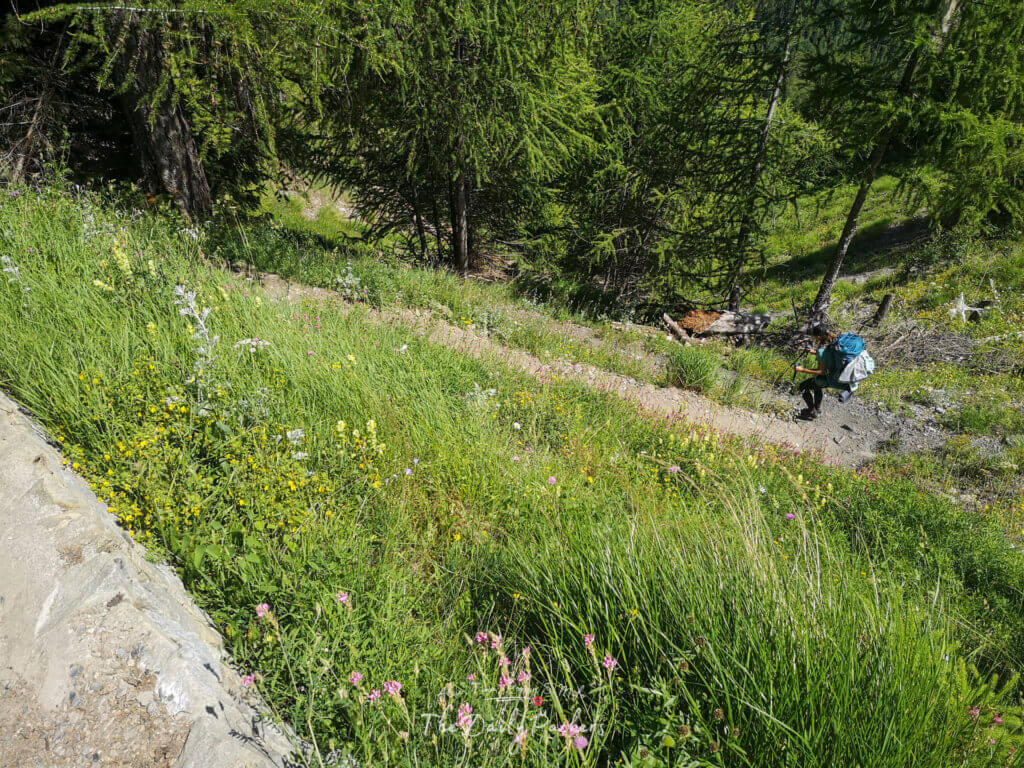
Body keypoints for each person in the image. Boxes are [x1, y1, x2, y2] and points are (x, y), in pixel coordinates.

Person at [793, 324, 852, 421]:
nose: (813, 337)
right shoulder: (833, 343)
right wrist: (814, 352)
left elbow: (821, 371)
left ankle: (812, 411)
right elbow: (827, 355)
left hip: (826, 378)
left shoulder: (822, 350)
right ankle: (817, 410)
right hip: (835, 376)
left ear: (819, 336)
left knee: (803, 386)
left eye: (814, 335)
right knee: (817, 386)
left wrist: (801, 369)